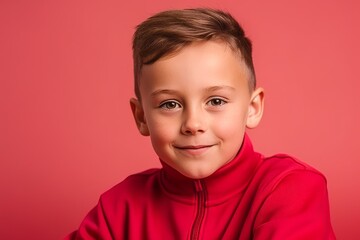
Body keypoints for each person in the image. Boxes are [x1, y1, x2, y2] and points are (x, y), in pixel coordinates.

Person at [66, 8, 335, 239]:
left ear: (252, 108)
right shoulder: (118, 208)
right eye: (170, 104)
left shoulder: (290, 188)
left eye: (216, 101)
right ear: (141, 117)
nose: (193, 124)